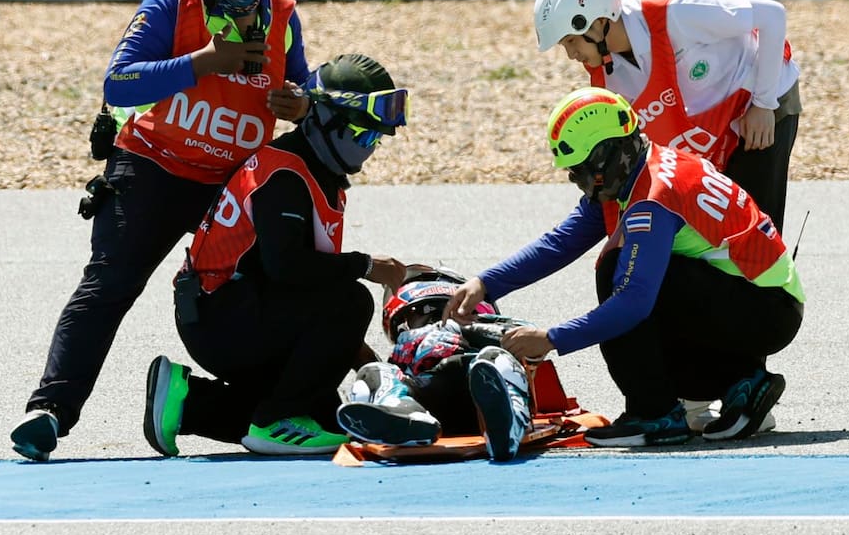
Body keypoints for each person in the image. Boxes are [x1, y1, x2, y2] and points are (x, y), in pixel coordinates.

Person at [10, 0, 310, 461]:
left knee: (272, 286)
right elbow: (118, 83)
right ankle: (48, 411)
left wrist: (301, 102)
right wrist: (206, 62)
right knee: (110, 285)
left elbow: (302, 84)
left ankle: (254, 408)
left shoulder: (284, 14)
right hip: (153, 168)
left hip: (230, 183)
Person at [443, 87, 805, 447]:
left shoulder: (653, 199)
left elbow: (633, 303)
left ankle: (654, 414)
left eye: (580, 170)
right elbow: (561, 242)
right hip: (763, 303)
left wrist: (551, 339)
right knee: (636, 284)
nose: (578, 182)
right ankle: (742, 381)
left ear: (607, 156)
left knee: (615, 268)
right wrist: (484, 284)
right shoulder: (642, 167)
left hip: (765, 310)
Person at [142, 53, 411, 457]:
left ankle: (185, 402)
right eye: (363, 136)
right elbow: (288, 268)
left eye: (377, 140)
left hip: (232, 314)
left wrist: (368, 364)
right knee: (353, 299)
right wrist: (368, 265)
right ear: (325, 120)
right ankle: (276, 419)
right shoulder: (285, 174)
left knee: (328, 420)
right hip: (222, 321)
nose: (370, 149)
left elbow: (309, 294)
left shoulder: (313, 168)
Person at [533, 0, 801, 233]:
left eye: (571, 41)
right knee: (716, 230)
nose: (571, 55)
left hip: (760, 103)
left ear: (599, 22)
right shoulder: (608, 76)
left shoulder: (678, 10)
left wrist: (763, 104)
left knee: (755, 228)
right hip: (712, 127)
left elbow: (773, 16)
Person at [334, 265, 535, 462]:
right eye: (422, 314)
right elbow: (379, 369)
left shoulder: (486, 325)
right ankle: (407, 418)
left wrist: (466, 330)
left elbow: (529, 338)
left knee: (495, 359)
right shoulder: (404, 349)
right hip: (429, 401)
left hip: (479, 385)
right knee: (372, 373)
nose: (432, 319)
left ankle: (506, 425)